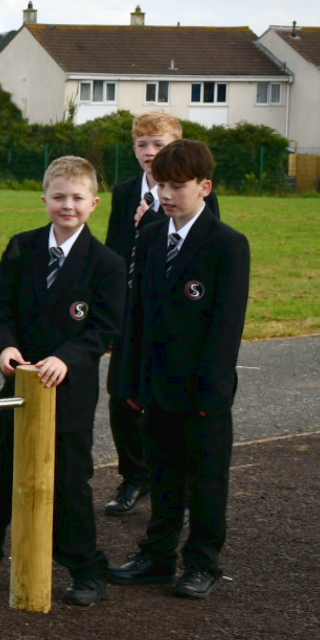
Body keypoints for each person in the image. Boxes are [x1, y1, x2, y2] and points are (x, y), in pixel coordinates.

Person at [0, 156, 125, 606]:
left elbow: (104, 329)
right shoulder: (21, 247)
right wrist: (4, 346)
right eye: (59, 196)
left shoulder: (106, 263)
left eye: (77, 198)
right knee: (1, 472)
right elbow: (0, 307)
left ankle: (86, 569)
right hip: (19, 389)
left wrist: (67, 358)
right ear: (44, 198)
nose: (68, 205)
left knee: (69, 483)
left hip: (70, 394)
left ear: (94, 203)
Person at [108, 139, 249, 599]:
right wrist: (129, 379)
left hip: (201, 393)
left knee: (206, 480)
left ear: (204, 187)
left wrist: (212, 395)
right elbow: (136, 316)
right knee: (164, 474)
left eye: (178, 186)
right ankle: (156, 556)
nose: (166, 195)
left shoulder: (227, 244)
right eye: (161, 185)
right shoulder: (149, 236)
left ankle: (202, 563)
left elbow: (226, 327)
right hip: (155, 387)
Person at [100, 111, 220, 517]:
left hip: (173, 316)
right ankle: (136, 477)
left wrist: (154, 220)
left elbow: (201, 251)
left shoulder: (195, 193)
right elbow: (114, 249)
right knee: (122, 395)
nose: (150, 152)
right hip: (129, 310)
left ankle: (176, 487)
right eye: (142, 145)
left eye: (159, 144)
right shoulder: (123, 191)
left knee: (169, 402)